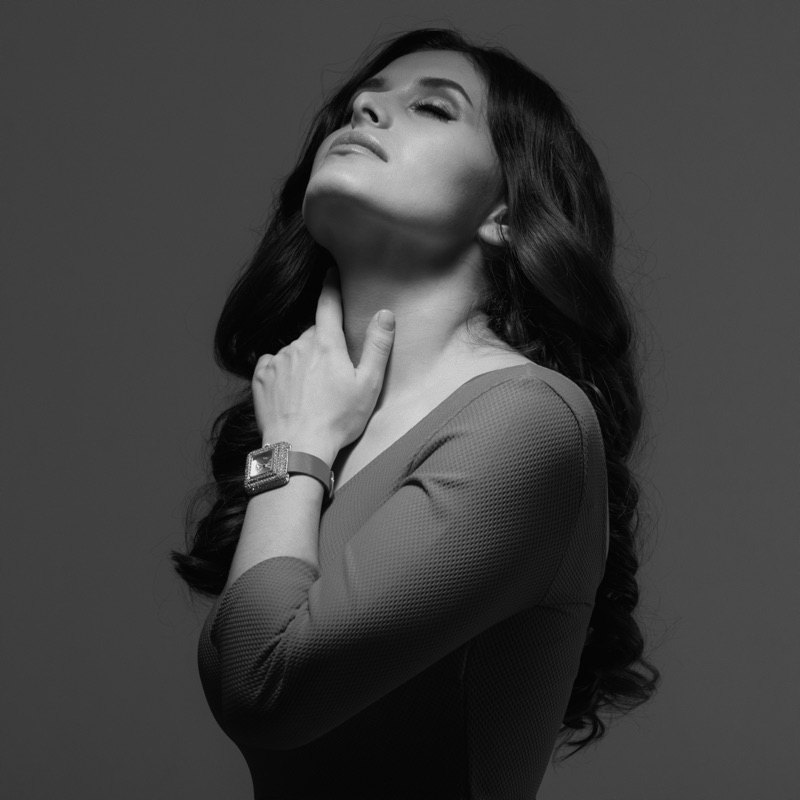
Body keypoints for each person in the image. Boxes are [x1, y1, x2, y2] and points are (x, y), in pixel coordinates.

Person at [171, 26, 660, 799]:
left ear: (505, 212)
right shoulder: (325, 437)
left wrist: (292, 451)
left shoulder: (530, 421)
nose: (364, 109)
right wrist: (304, 448)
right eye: (357, 105)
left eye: (433, 106)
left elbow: (263, 687)